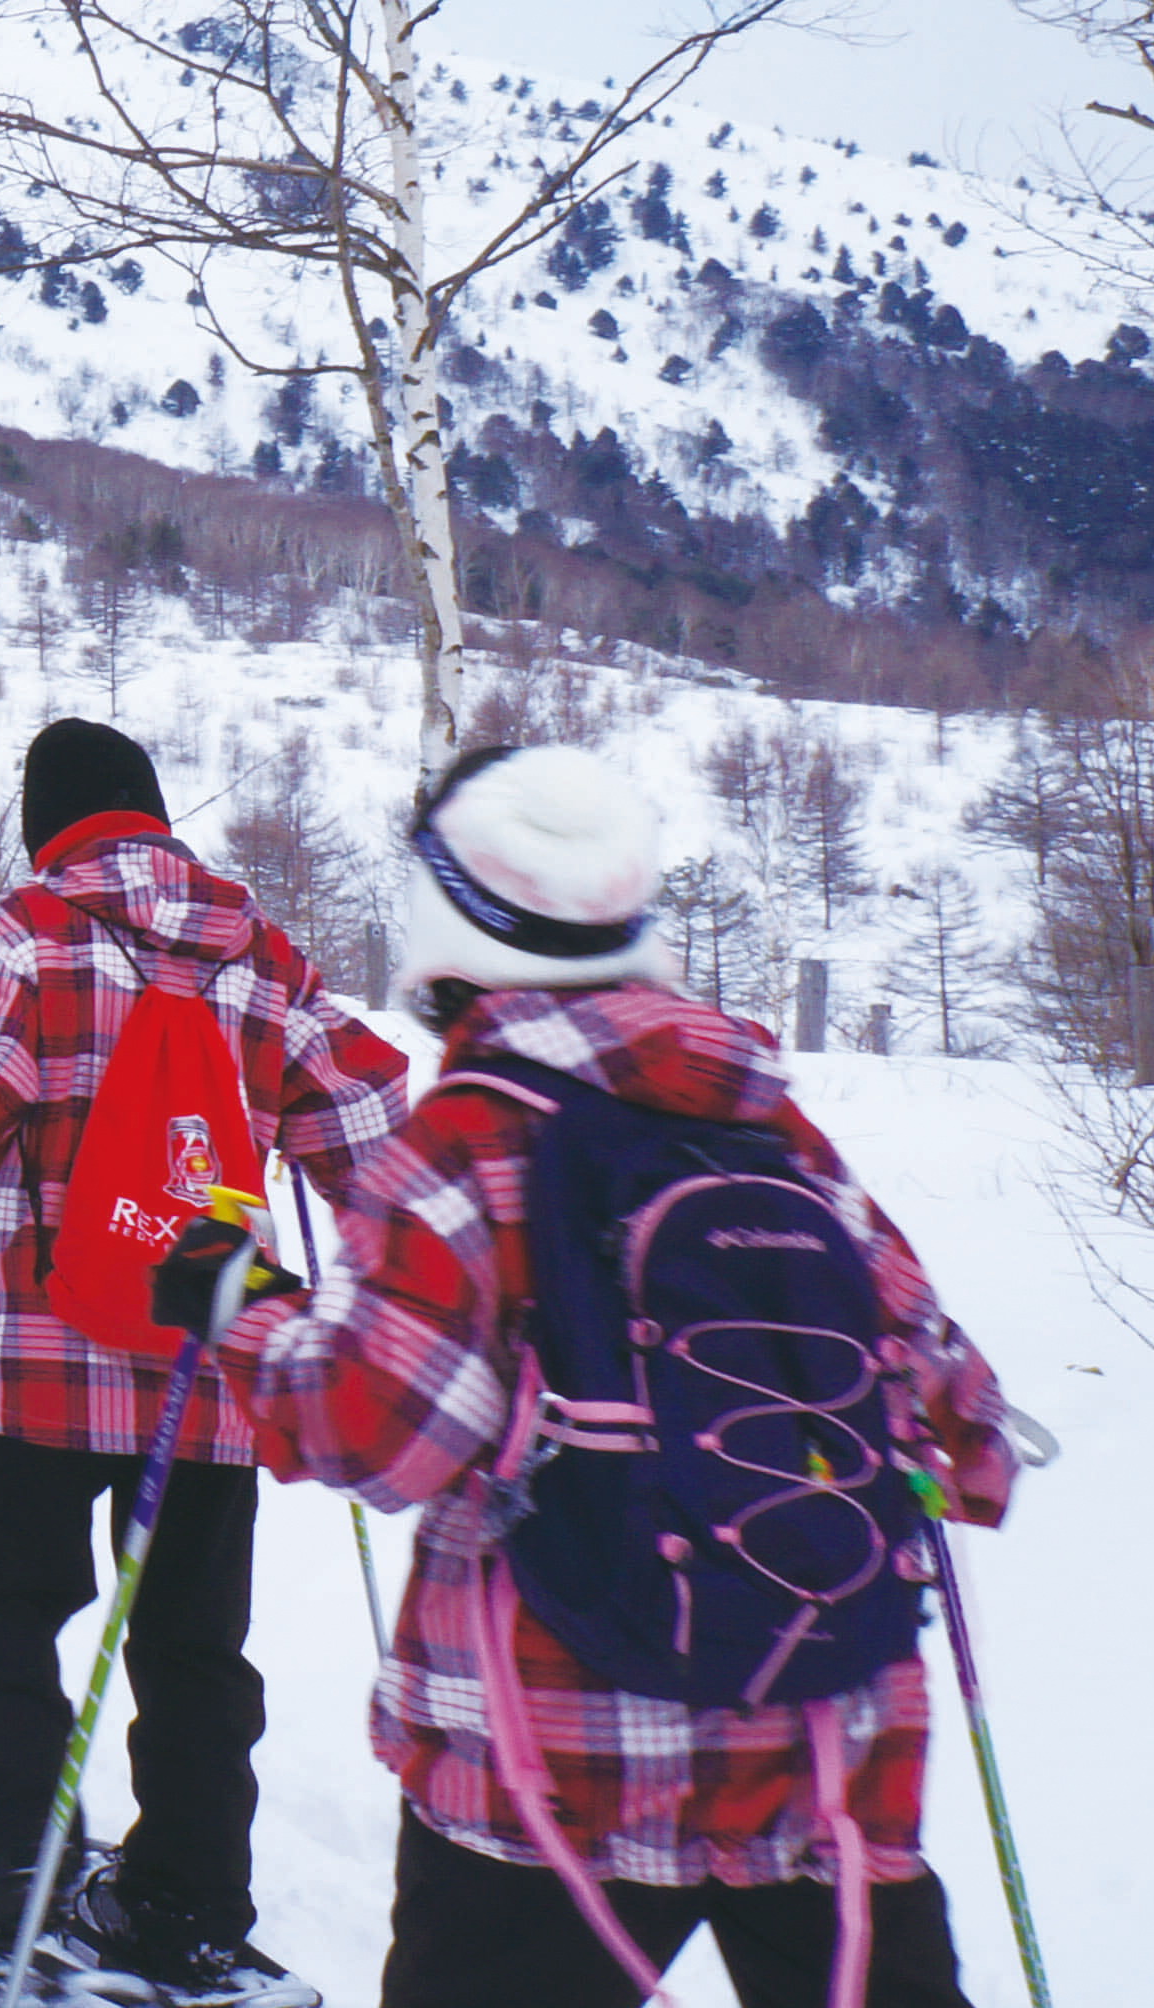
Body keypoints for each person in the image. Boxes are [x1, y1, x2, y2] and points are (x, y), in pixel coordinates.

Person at [161, 744, 1020, 2008]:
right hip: (831, 1756)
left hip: (557, 1775)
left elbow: (377, 1431)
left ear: (443, 925)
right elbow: (963, 1424)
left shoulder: (470, 1134)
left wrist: (243, 1310)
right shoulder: (771, 1125)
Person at [0, 717, 408, 2008]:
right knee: (194, 1655)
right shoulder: (261, 952)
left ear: (49, 822)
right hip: (207, 1371)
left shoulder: (28, 927)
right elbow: (371, 1130)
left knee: (5, 1622)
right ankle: (189, 1908)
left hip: (31, 1368)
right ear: (154, 813)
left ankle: (8, 1887)